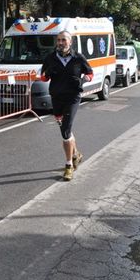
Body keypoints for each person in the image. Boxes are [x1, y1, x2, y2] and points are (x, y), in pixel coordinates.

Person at [40, 30, 93, 181]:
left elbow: (90, 73)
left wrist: (83, 81)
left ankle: (69, 166)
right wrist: (47, 73)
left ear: (70, 42)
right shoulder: (50, 58)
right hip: (56, 97)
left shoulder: (78, 58)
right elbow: (43, 77)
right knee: (65, 131)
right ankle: (76, 154)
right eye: (58, 40)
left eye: (64, 40)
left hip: (72, 98)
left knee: (65, 130)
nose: (61, 43)